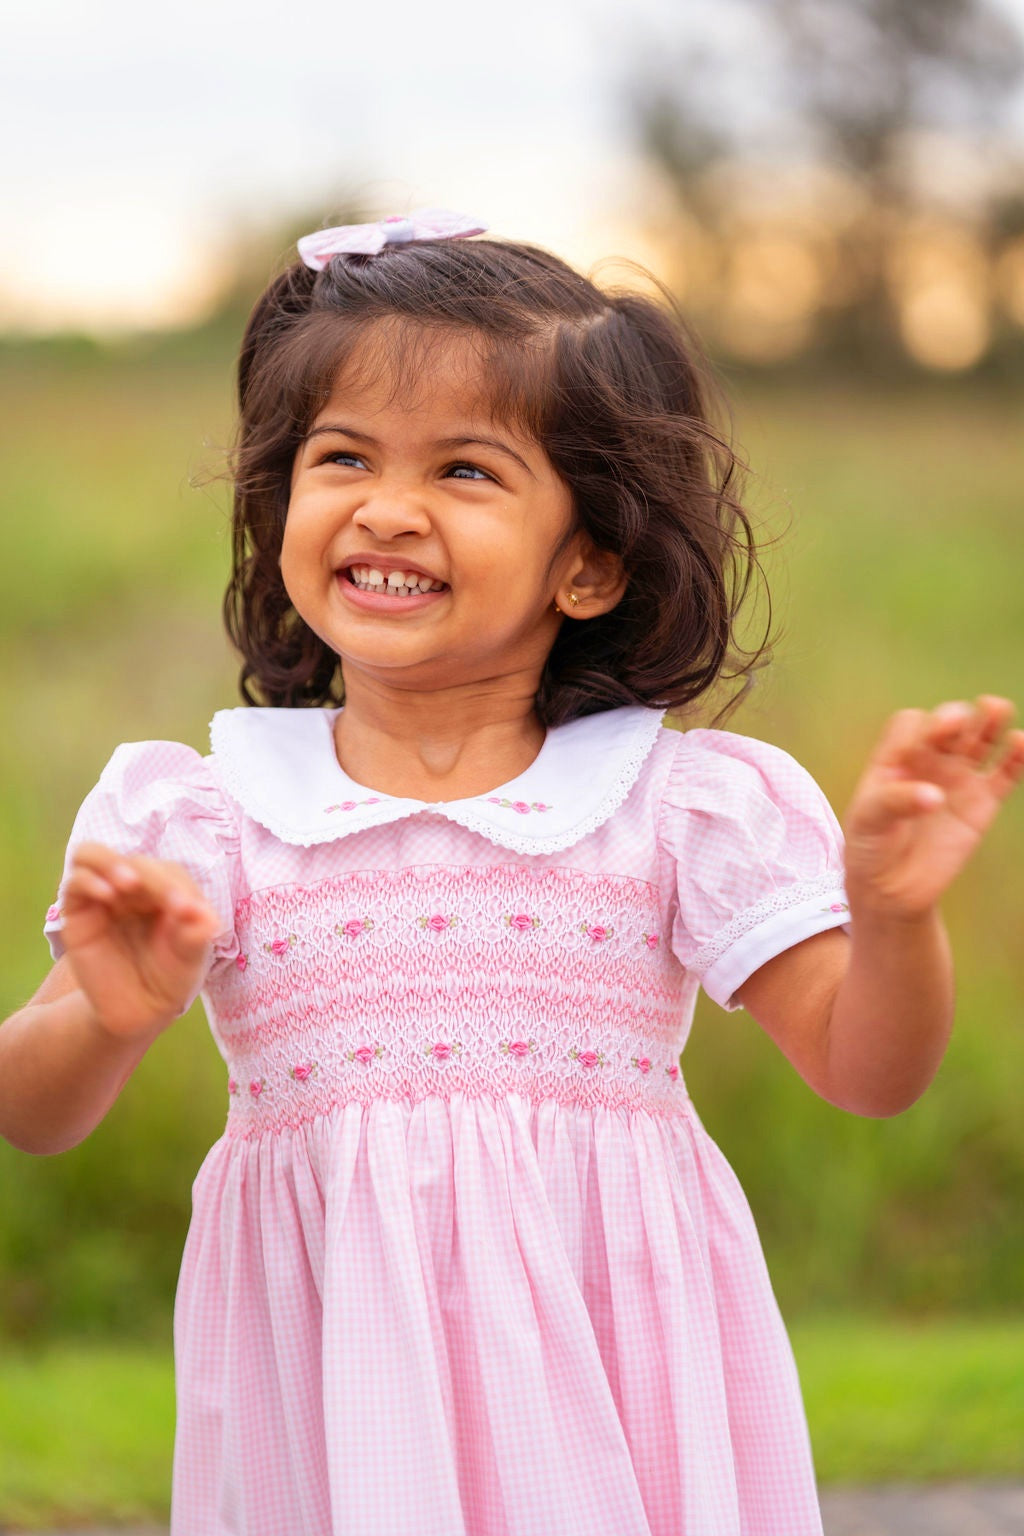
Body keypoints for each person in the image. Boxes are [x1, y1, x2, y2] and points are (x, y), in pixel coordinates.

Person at [2, 207, 1021, 1536]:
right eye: (342, 456)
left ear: (589, 563)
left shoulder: (674, 807)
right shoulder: (209, 814)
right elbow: (32, 1109)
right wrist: (106, 1013)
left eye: (466, 474)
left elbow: (868, 1072)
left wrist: (893, 917)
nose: (387, 507)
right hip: (334, 1404)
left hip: (621, 1389)